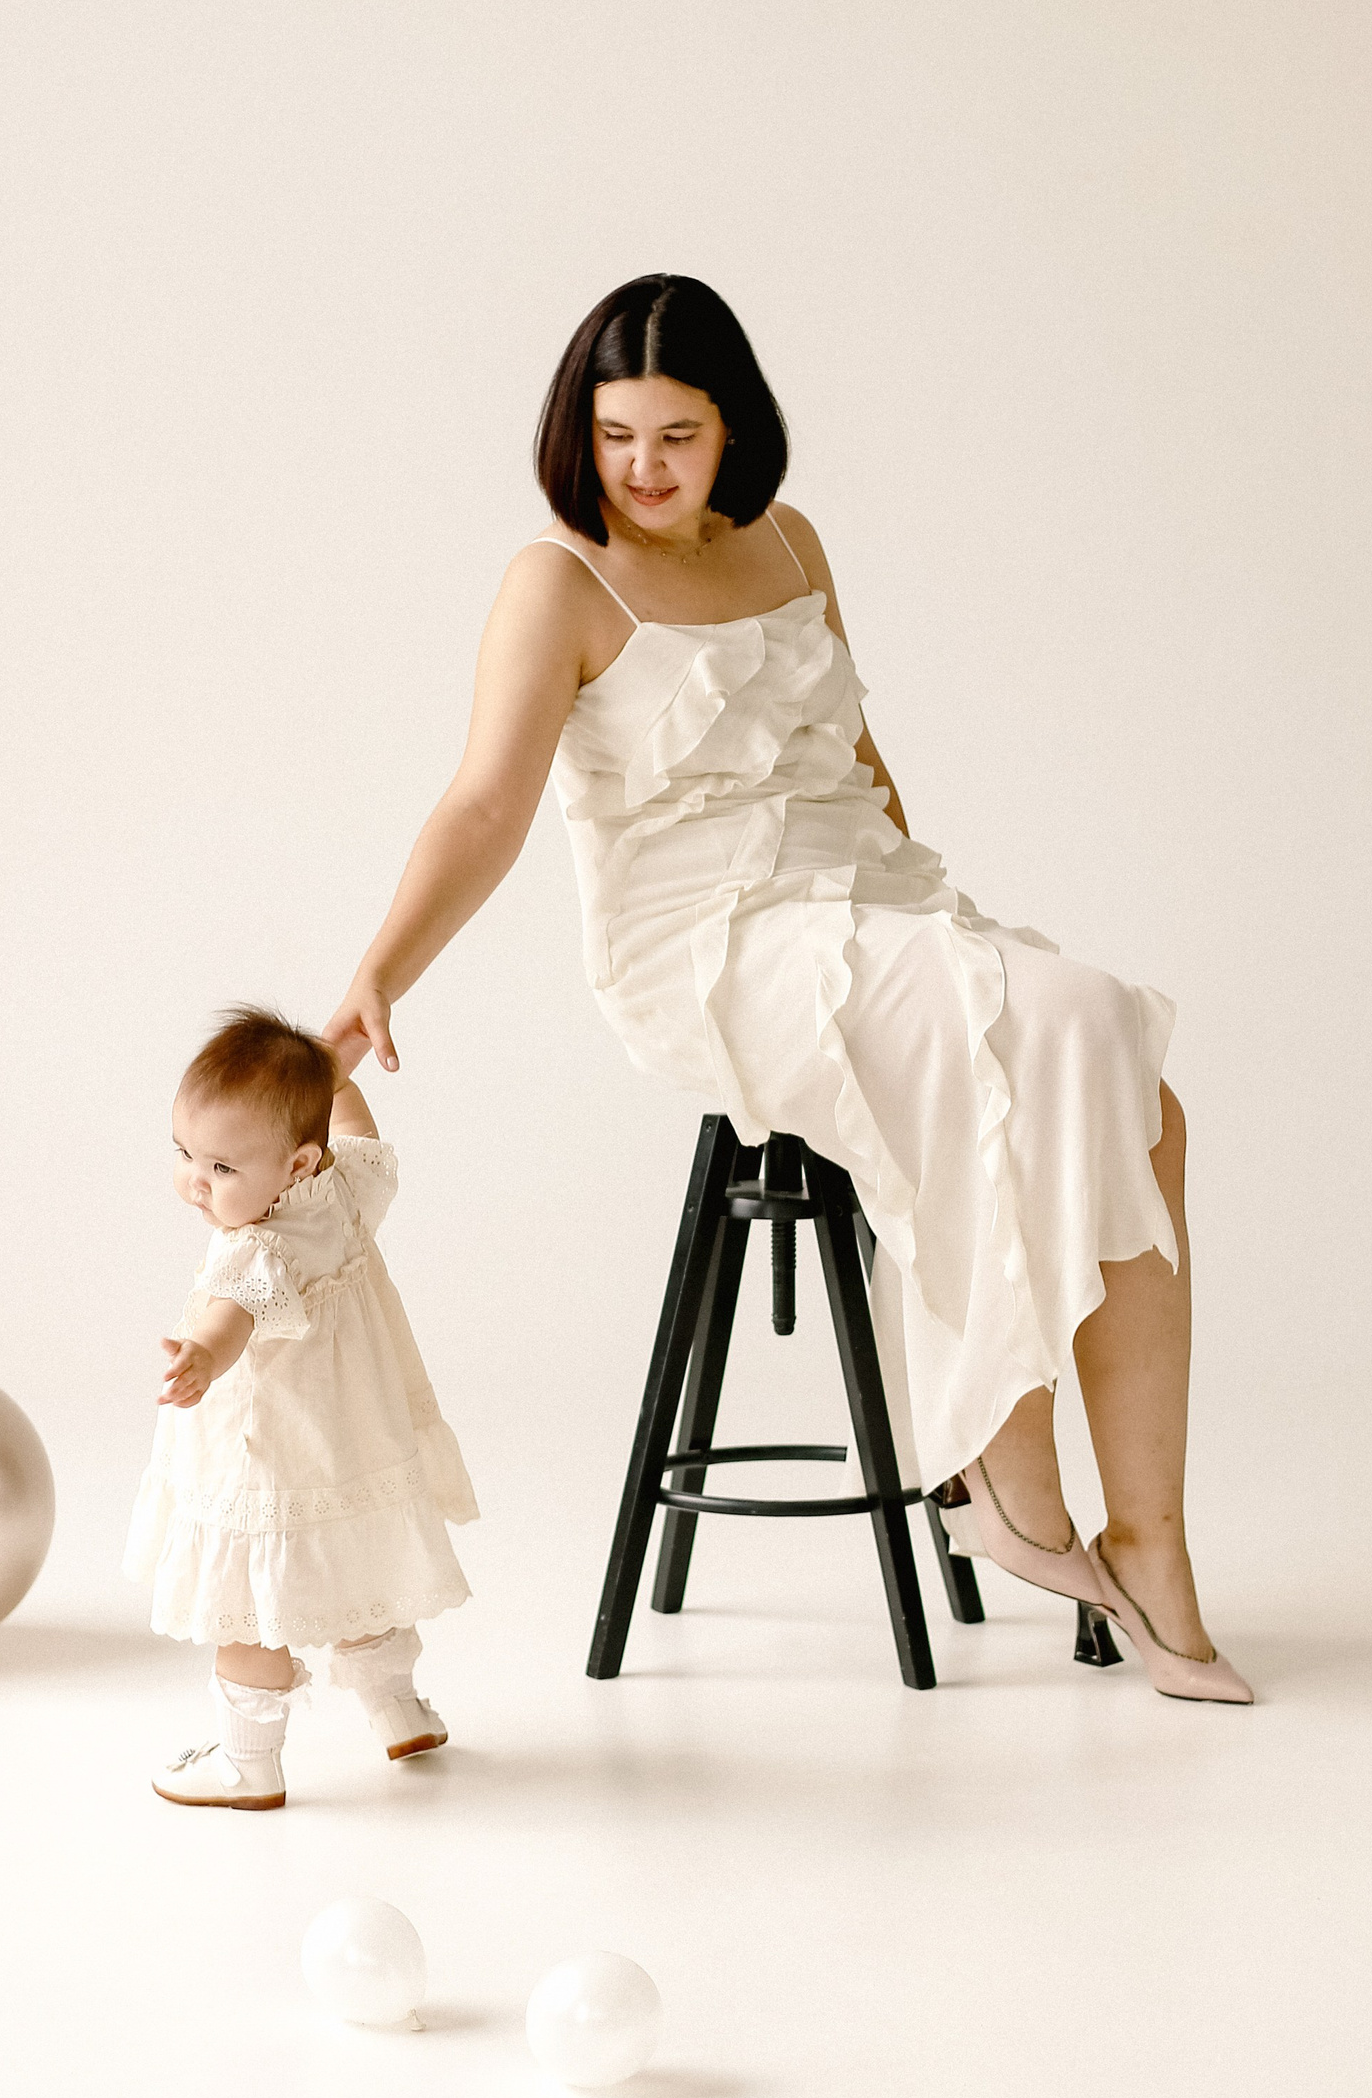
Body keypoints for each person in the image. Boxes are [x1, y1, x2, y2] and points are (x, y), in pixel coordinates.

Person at [327, 276, 1249, 1704]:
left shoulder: (790, 540)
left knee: (1136, 1089)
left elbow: (856, 763)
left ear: (733, 428)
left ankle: (1151, 1541)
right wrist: (382, 970)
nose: (643, 468)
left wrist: (938, 925)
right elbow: (485, 803)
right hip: (710, 943)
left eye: (676, 436)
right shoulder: (559, 581)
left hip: (868, 905)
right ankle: (1010, 1473)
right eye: (616, 435)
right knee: (1072, 1024)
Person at [125, 1006, 480, 1809]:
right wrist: (333, 1074)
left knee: (248, 1611)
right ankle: (399, 1711)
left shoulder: (259, 1248)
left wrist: (202, 1356)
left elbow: (230, 1316)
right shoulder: (347, 1193)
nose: (194, 1182)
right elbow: (356, 1127)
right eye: (184, 1153)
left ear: (296, 1164)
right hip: (347, 1445)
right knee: (356, 1574)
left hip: (269, 1460)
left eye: (221, 1167)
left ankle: (247, 1762)